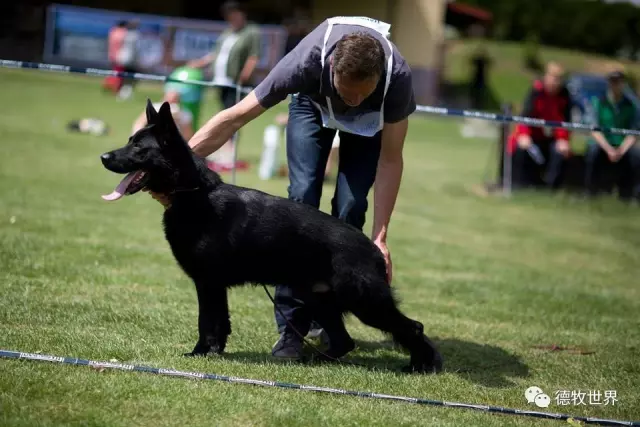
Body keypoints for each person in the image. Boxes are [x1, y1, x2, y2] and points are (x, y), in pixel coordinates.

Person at [148, 16, 415, 361]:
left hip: (367, 127)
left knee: (350, 210)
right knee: (300, 200)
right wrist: (177, 169)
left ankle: (329, 321)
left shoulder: (398, 79)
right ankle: (292, 330)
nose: (352, 102)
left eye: (362, 93)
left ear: (379, 78)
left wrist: (380, 236)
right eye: (347, 92)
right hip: (311, 104)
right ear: (331, 67)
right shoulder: (304, 61)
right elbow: (236, 116)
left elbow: (391, 159)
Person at [188, 1, 260, 170]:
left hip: (236, 83)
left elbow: (253, 56)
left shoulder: (251, 32)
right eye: (229, 15)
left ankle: (230, 153)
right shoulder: (228, 32)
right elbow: (216, 54)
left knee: (232, 117)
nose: (232, 18)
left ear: (242, 14)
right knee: (222, 114)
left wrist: (245, 75)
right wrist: (200, 63)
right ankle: (223, 150)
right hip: (221, 81)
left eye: (235, 13)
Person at [509, 61, 574, 190]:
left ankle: (550, 189)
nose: (555, 82)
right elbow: (524, 116)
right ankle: (520, 185)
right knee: (521, 148)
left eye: (559, 79)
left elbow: (566, 121)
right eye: (553, 77)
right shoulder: (536, 91)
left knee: (560, 152)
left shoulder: (565, 95)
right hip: (532, 135)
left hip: (553, 138)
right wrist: (524, 135)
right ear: (546, 77)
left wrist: (563, 139)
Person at [584, 65, 640, 201]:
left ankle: (629, 196)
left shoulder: (632, 105)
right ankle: (590, 193)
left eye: (618, 81)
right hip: (603, 144)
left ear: (623, 83)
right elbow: (594, 130)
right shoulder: (598, 102)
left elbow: (634, 132)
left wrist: (621, 150)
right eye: (612, 81)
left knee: (636, 156)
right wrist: (609, 149)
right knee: (592, 152)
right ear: (608, 82)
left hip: (623, 145)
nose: (615, 84)